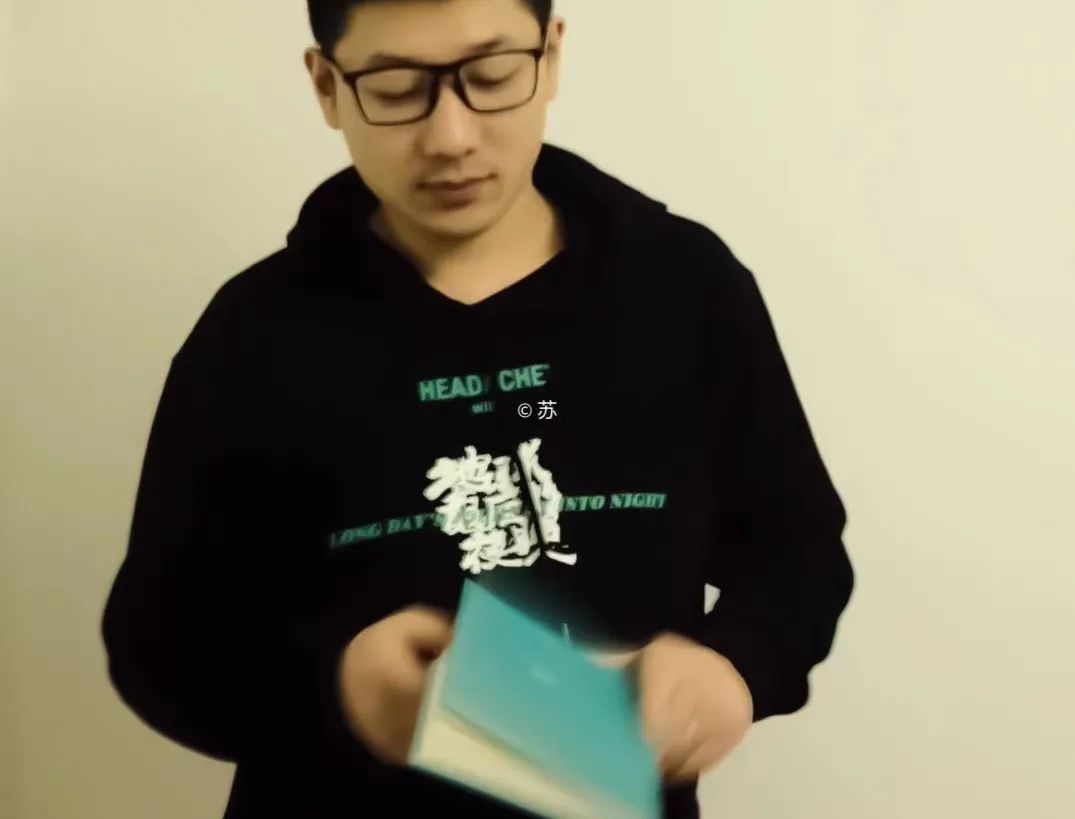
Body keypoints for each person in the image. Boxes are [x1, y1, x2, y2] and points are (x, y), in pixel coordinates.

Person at [101, 1, 854, 817]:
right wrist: (338, 682)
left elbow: (796, 555)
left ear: (550, 55)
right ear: (326, 85)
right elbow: (159, 644)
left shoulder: (685, 290)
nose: (451, 137)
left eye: (491, 77)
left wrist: (735, 665)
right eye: (395, 89)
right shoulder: (255, 334)